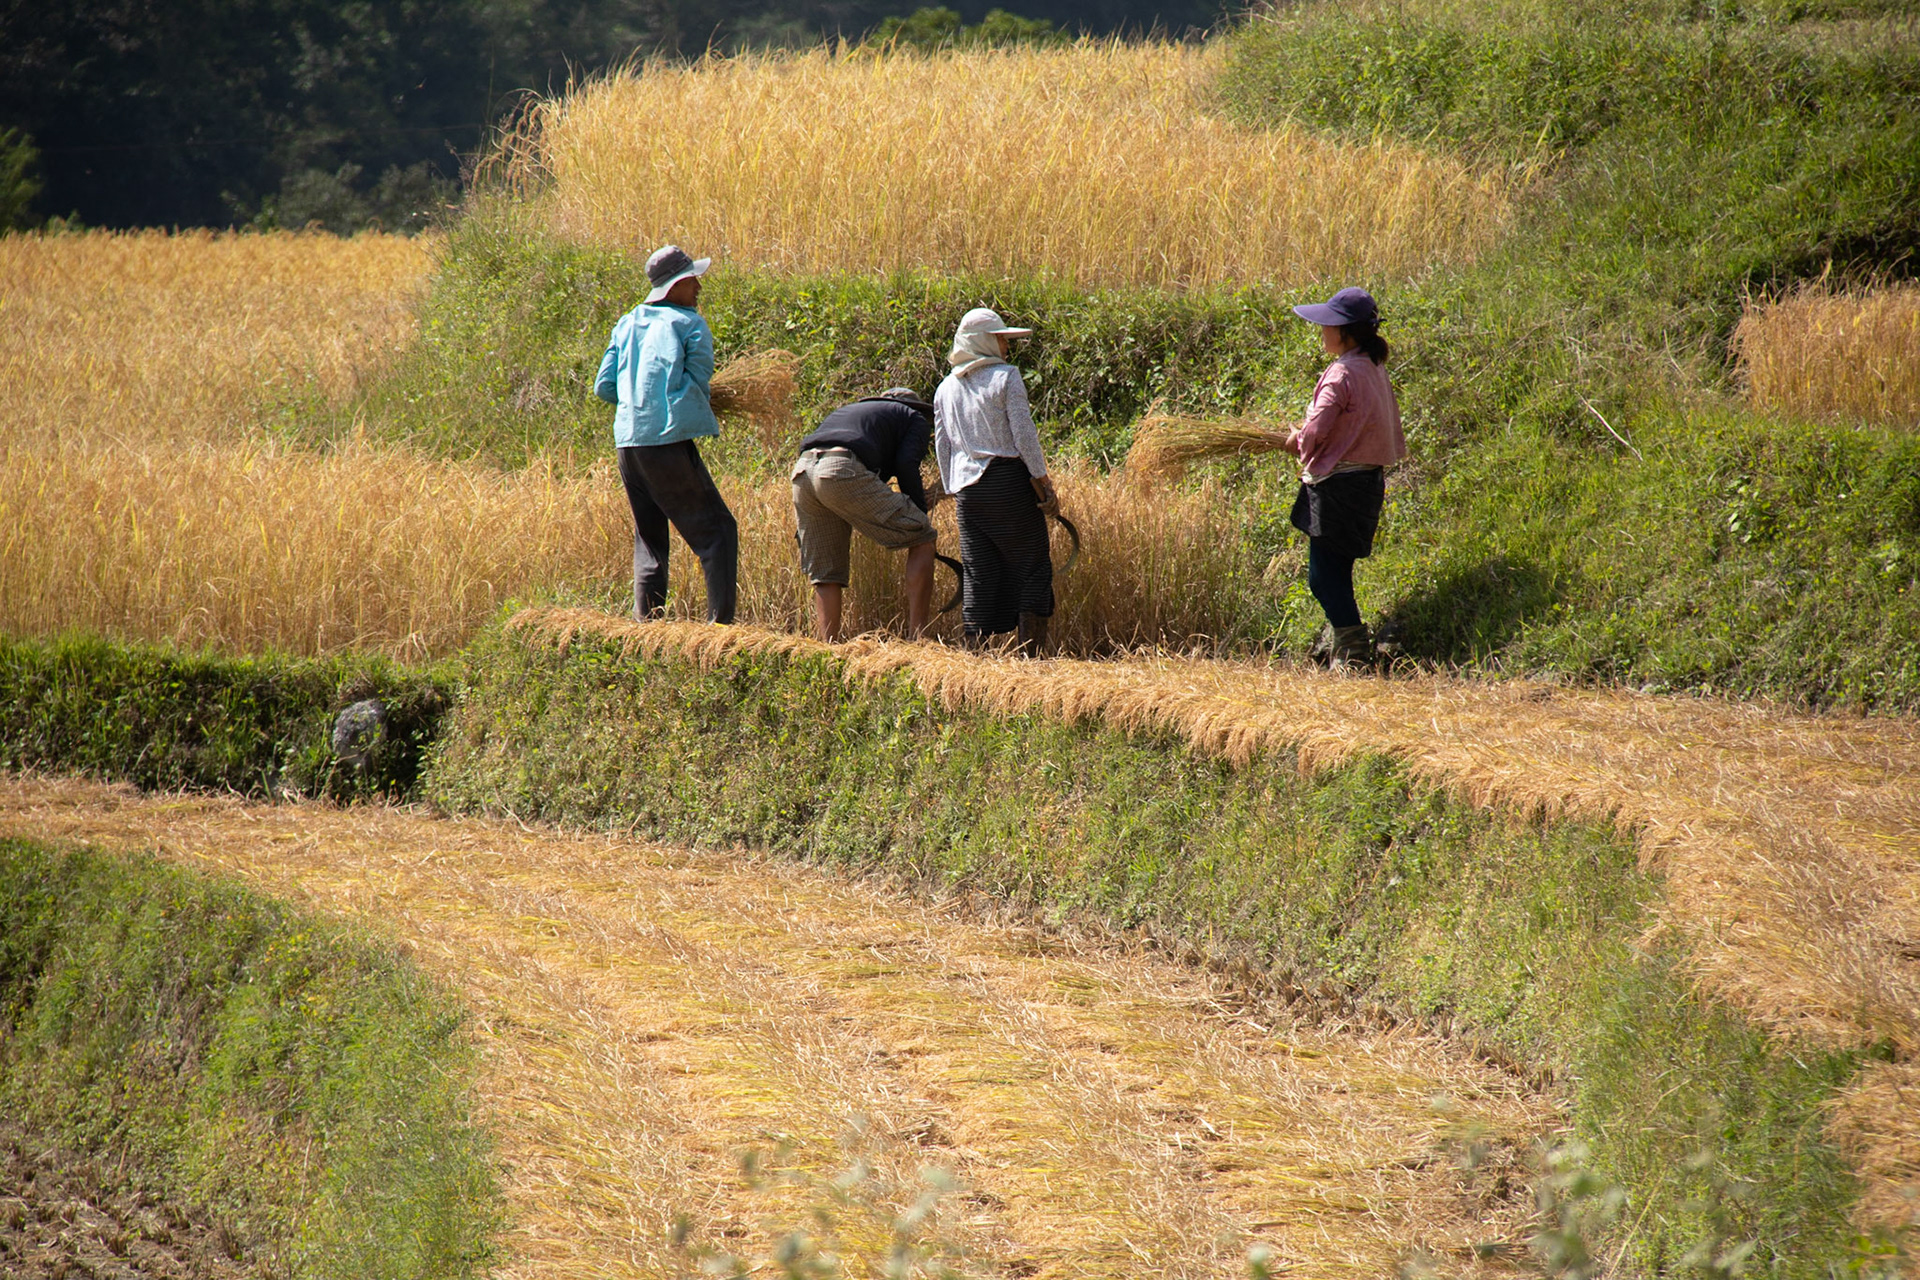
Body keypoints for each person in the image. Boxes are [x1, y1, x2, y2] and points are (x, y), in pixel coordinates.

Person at [594, 244, 738, 624]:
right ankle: (718, 630)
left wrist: (639, 404)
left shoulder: (626, 323)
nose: (698, 288)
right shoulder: (689, 324)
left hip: (628, 441)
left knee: (650, 539)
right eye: (692, 280)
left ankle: (647, 626)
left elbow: (604, 386)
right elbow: (700, 382)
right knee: (719, 532)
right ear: (673, 286)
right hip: (666, 443)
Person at [1281, 286, 1407, 668]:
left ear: (1346, 333)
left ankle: (1353, 653)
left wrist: (1296, 441)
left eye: (1328, 325)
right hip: (1367, 484)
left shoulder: (1340, 375)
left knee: (1322, 578)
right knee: (1338, 571)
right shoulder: (1372, 366)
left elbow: (1316, 431)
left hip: (1338, 487)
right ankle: (1348, 649)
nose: (1322, 331)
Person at [933, 307, 1059, 654]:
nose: (1006, 348)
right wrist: (1043, 482)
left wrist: (953, 489)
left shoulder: (945, 388)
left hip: (967, 495)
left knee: (979, 571)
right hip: (1008, 483)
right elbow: (1024, 435)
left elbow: (942, 445)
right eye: (1001, 340)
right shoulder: (1006, 377)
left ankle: (975, 659)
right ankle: (1032, 659)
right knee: (1033, 566)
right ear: (985, 342)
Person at [791, 388, 940, 641]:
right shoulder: (912, 417)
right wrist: (919, 513)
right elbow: (906, 464)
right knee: (923, 537)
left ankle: (828, 647)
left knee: (827, 571)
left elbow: (871, 475)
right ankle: (919, 639)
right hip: (839, 468)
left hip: (803, 472)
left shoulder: (853, 413)